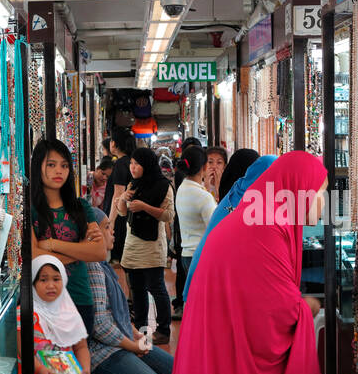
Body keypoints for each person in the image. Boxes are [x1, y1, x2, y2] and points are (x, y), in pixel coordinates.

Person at [156, 151, 333, 374]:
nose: (323, 203)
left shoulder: (263, 218)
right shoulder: (264, 228)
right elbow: (273, 314)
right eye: (319, 192)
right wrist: (306, 308)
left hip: (221, 351)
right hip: (229, 362)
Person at [86, 211, 175, 374]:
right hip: (102, 350)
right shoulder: (93, 268)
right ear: (92, 234)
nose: (112, 231)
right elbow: (100, 326)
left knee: (171, 369)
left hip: (120, 339)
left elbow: (119, 313)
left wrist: (136, 336)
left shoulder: (103, 265)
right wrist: (133, 345)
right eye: (106, 227)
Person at [29, 139, 107, 331]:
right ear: (38, 166)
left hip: (79, 296)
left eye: (64, 165)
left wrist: (51, 244)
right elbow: (33, 255)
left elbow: (99, 252)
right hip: (43, 301)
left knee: (79, 359)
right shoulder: (29, 209)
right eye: (51, 165)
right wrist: (79, 252)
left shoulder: (81, 207)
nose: (59, 171)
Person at [182, 153, 276, 301]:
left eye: (219, 162)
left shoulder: (236, 192)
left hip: (204, 276)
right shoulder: (246, 201)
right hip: (214, 282)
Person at [115, 147, 176, 345]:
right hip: (132, 244)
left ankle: (163, 330)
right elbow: (123, 214)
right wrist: (123, 199)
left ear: (147, 165)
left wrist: (144, 207)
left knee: (156, 288)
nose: (133, 167)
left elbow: (168, 215)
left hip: (152, 246)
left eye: (137, 164)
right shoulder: (133, 184)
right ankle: (140, 328)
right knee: (136, 288)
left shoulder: (163, 186)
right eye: (131, 163)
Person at [172, 147, 212, 318]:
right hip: (202, 255)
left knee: (196, 303)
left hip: (187, 254)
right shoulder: (203, 197)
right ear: (203, 167)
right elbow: (215, 226)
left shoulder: (182, 188)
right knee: (206, 306)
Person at [105, 131, 135, 258]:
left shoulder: (120, 164)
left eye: (111, 141)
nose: (110, 143)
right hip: (127, 213)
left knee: (118, 257)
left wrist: (110, 221)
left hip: (119, 215)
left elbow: (118, 194)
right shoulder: (130, 162)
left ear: (115, 144)